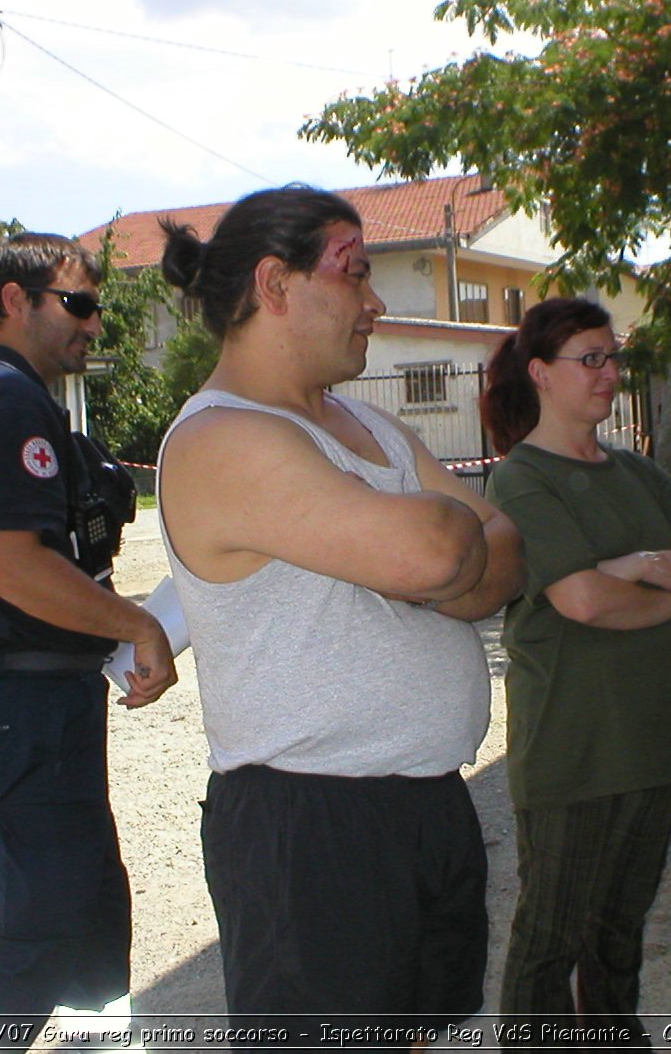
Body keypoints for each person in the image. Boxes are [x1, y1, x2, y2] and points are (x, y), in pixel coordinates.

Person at [154, 184, 524, 1044]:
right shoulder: (221, 438)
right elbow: (440, 549)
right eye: (353, 274)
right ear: (275, 285)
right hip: (312, 831)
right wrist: (445, 553)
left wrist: (444, 554)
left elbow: (503, 549)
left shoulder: (364, 424)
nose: (374, 302)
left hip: (424, 808)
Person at [0, 232, 178, 1052]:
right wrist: (137, 624)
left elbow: (41, 570)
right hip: (17, 702)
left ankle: (100, 1036)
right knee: (46, 917)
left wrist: (102, 641)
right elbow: (13, 568)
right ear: (15, 302)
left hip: (31, 694)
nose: (94, 325)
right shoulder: (7, 405)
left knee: (92, 898)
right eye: (79, 304)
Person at [479, 297, 671, 1047]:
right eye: (589, 359)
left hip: (655, 736)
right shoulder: (524, 479)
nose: (609, 373)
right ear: (541, 374)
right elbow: (586, 600)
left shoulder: (635, 471)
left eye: (612, 356)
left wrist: (642, 569)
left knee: (619, 934)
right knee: (549, 940)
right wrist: (670, 576)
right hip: (577, 744)